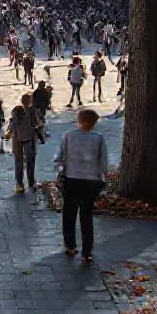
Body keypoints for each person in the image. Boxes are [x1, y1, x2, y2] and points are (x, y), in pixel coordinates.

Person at [55, 109, 108, 262]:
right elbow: (103, 161)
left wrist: (60, 172)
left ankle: (70, 245)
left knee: (69, 213)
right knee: (86, 215)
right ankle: (87, 251)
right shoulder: (98, 138)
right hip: (92, 180)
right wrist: (103, 178)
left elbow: (59, 158)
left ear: (79, 120)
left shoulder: (68, 136)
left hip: (72, 178)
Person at [6, 93, 43, 193]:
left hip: (17, 140)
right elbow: (37, 124)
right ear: (30, 101)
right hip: (29, 140)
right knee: (30, 162)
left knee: (18, 163)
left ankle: (19, 184)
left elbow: (12, 124)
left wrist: (9, 133)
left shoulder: (16, 110)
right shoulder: (32, 111)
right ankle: (31, 182)